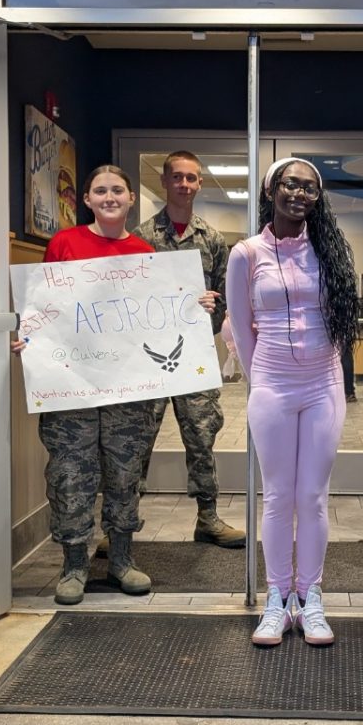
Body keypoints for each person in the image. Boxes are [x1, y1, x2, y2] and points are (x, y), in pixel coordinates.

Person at [13, 166, 217, 605]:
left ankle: (122, 559)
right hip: (73, 386)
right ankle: (74, 564)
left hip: (128, 389)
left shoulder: (145, 251)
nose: (110, 197)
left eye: (117, 191)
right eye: (100, 190)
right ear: (86, 198)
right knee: (71, 472)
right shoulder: (63, 244)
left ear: (129, 199)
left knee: (125, 473)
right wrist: (28, 339)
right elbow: (44, 310)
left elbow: (161, 320)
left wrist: (193, 306)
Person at [226, 158, 361, 646]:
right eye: (291, 184)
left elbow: (342, 321)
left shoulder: (330, 251)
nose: (300, 194)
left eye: (310, 187)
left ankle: (311, 597)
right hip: (273, 385)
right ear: (271, 189)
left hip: (322, 385)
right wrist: (258, 375)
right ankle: (277, 599)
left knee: (313, 496)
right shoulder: (245, 253)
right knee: (279, 496)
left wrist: (325, 367)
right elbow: (241, 327)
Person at [134, 151, 245, 548]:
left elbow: (223, 297)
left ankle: (208, 518)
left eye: (192, 178)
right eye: (177, 177)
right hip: (147, 358)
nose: (184, 184)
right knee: (137, 438)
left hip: (194, 354)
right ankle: (123, 525)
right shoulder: (141, 237)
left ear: (200, 184)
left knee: (202, 436)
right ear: (165, 182)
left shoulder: (213, 240)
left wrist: (213, 312)